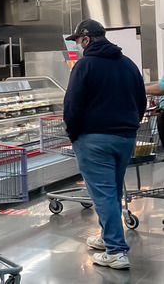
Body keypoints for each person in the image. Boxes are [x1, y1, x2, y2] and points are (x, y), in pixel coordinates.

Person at [63, 19, 145, 270]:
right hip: (126, 138)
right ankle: (107, 237)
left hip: (94, 139)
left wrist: (73, 134)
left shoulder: (84, 65)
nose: (78, 45)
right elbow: (140, 99)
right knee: (113, 191)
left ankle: (116, 251)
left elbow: (73, 105)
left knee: (104, 194)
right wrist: (130, 126)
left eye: (78, 41)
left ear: (86, 40)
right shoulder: (128, 63)